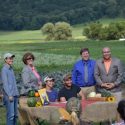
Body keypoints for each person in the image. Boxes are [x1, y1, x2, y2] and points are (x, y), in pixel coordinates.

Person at [1, 53, 19, 125]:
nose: (11, 59)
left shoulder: (11, 69)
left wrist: (16, 94)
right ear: (5, 60)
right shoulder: (4, 70)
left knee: (15, 115)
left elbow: (13, 83)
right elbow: (5, 84)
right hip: (9, 96)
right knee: (11, 115)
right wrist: (9, 95)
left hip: (15, 94)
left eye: (12, 58)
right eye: (9, 58)